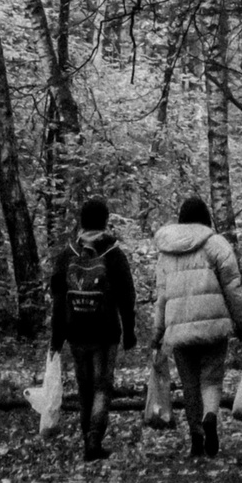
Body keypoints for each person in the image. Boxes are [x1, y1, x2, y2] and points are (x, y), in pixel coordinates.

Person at [152, 195, 242, 459]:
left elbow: (161, 297)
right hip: (213, 327)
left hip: (178, 329)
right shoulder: (217, 245)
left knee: (189, 384)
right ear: (206, 217)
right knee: (211, 379)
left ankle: (196, 436)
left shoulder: (166, 252)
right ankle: (210, 417)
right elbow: (233, 290)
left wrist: (157, 333)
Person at [46, 196, 137, 460]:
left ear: (81, 222)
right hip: (106, 331)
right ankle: (94, 439)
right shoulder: (113, 253)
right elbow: (127, 296)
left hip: (76, 331)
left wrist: (57, 337)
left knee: (84, 386)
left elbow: (58, 298)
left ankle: (86, 435)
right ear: (105, 221)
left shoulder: (68, 254)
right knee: (101, 386)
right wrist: (129, 331)